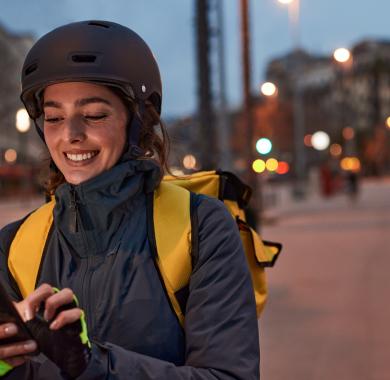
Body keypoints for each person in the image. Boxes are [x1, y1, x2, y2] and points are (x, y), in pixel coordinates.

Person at [0, 21, 260, 379]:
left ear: (139, 120)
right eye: (54, 117)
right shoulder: (14, 246)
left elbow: (230, 374)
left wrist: (94, 367)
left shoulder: (201, 227)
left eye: (93, 115)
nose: (70, 135)